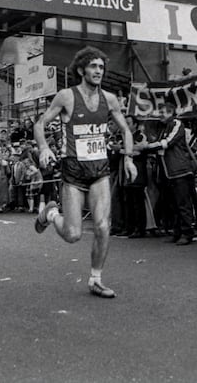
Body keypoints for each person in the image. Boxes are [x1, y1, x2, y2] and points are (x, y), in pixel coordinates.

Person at [33, 46, 137, 299]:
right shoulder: (66, 96)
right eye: (93, 66)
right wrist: (44, 147)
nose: (98, 71)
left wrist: (129, 158)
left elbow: (126, 130)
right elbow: (40, 124)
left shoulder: (110, 99)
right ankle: (51, 213)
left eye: (101, 67)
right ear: (81, 69)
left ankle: (96, 280)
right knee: (73, 234)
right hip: (73, 173)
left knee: (103, 226)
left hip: (100, 170)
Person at [146, 102, 195, 245]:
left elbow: (168, 142)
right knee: (173, 204)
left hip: (179, 170)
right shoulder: (164, 127)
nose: (160, 115)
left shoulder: (177, 124)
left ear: (171, 113)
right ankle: (177, 231)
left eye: (163, 112)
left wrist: (147, 146)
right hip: (167, 172)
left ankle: (187, 233)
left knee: (183, 204)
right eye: (160, 112)